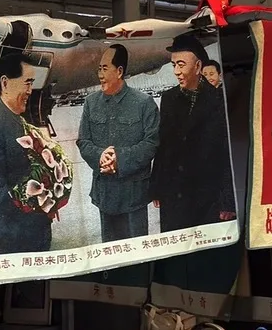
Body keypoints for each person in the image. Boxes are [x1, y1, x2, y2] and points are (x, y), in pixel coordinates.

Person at [150, 33, 235, 232]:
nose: (177, 72)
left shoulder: (219, 101)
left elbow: (227, 153)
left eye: (181, 65)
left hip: (207, 195)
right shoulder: (168, 98)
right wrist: (157, 186)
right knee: (176, 251)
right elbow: (163, 144)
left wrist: (227, 200)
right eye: (173, 65)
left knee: (205, 254)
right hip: (174, 193)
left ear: (197, 67)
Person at [76, 43, 159, 242]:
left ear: (119, 71)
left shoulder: (143, 103)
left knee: (137, 252)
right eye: (99, 69)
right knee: (110, 253)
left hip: (133, 195)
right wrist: (100, 156)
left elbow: (151, 143)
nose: (100, 74)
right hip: (104, 193)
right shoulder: (91, 102)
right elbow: (83, 140)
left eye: (105, 68)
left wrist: (119, 159)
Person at [0, 51, 52, 253]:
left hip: (31, 229)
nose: (30, 90)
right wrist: (31, 209)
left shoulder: (18, 121)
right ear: (5, 82)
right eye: (27, 82)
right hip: (13, 237)